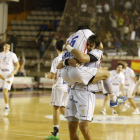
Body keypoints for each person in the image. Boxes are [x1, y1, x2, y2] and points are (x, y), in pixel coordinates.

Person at [45, 40, 68, 140]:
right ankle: (77, 123)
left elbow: (52, 75)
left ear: (56, 48)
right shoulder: (69, 58)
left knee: (56, 108)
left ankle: (55, 134)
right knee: (62, 108)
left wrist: (47, 75)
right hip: (67, 87)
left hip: (58, 86)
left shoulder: (56, 59)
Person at [0, 43, 19, 115]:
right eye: (5, 46)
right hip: (1, 75)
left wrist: (13, 73)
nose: (6, 47)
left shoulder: (12, 55)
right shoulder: (0, 54)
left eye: (8, 46)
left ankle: (6, 106)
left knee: (4, 92)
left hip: (9, 76)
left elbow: (17, 65)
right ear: (3, 47)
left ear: (10, 48)